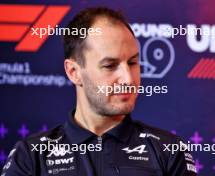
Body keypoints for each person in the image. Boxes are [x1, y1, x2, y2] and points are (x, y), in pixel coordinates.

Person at [1, 7, 197, 176]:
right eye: (110, 66)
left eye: (133, 62)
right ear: (74, 72)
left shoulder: (168, 151)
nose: (128, 79)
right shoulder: (31, 155)